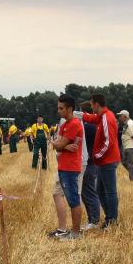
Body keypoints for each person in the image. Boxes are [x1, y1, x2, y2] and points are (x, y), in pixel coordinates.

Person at [80, 94, 121, 228]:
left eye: (92, 105)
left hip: (107, 160)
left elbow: (109, 142)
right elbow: (92, 118)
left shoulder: (107, 118)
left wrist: (97, 155)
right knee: (100, 190)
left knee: (110, 191)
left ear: (96, 104)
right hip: (104, 160)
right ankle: (109, 216)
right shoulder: (102, 116)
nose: (91, 107)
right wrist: (81, 115)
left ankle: (112, 220)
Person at [48, 95, 84, 240]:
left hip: (70, 167)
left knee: (73, 200)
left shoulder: (74, 124)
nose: (58, 111)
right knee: (59, 194)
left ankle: (75, 233)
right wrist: (61, 145)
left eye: (61, 108)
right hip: (64, 166)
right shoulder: (64, 125)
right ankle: (65, 230)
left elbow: (57, 144)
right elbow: (57, 146)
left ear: (70, 109)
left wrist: (60, 144)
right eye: (58, 108)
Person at [79, 103, 101, 231]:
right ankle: (91, 219)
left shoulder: (87, 127)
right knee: (86, 192)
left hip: (89, 162)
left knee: (89, 192)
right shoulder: (95, 125)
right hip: (93, 162)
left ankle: (94, 221)